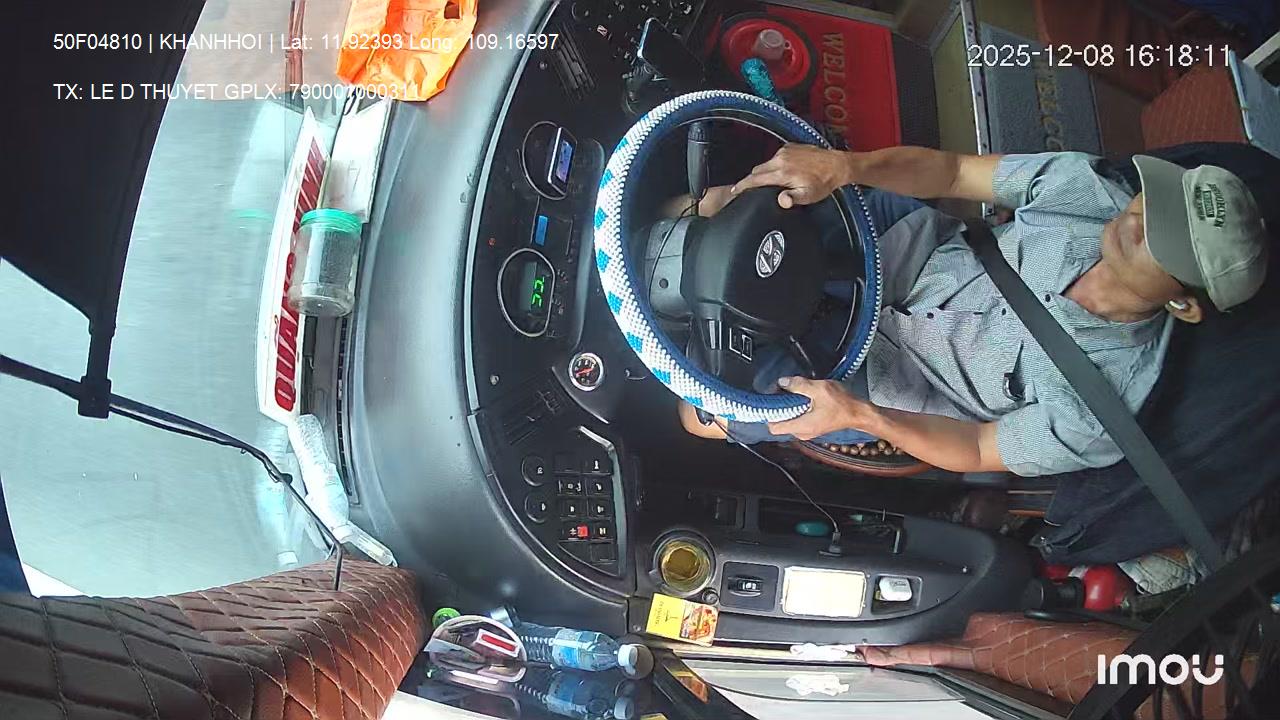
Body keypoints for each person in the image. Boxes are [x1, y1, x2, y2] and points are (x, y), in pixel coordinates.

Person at [677, 145, 1270, 477]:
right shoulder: (1088, 193)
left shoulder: (1104, 411)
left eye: (1167, 239)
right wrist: (848, 166)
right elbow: (955, 171)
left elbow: (981, 448)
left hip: (891, 380)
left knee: (699, 414)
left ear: (1183, 304)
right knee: (725, 207)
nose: (1138, 220)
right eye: (1156, 202)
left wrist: (860, 416)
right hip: (903, 247)